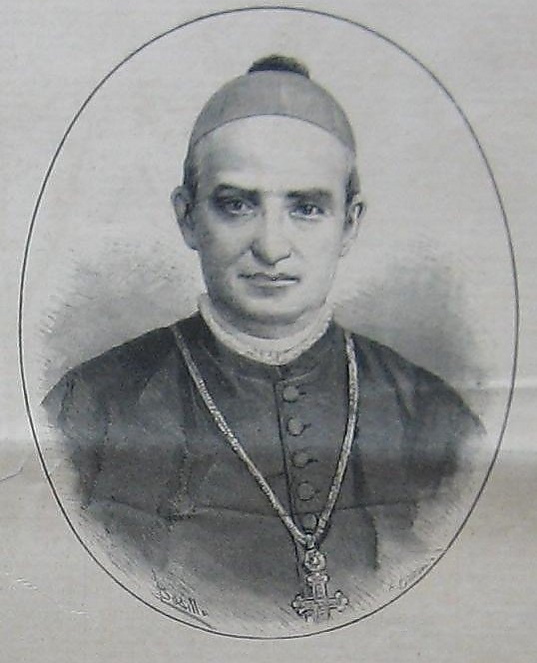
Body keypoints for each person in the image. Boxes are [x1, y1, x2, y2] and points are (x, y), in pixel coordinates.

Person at [43, 55, 483, 634]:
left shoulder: (432, 415)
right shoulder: (86, 409)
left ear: (349, 224)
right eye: (237, 204)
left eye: (306, 208)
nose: (272, 247)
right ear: (187, 218)